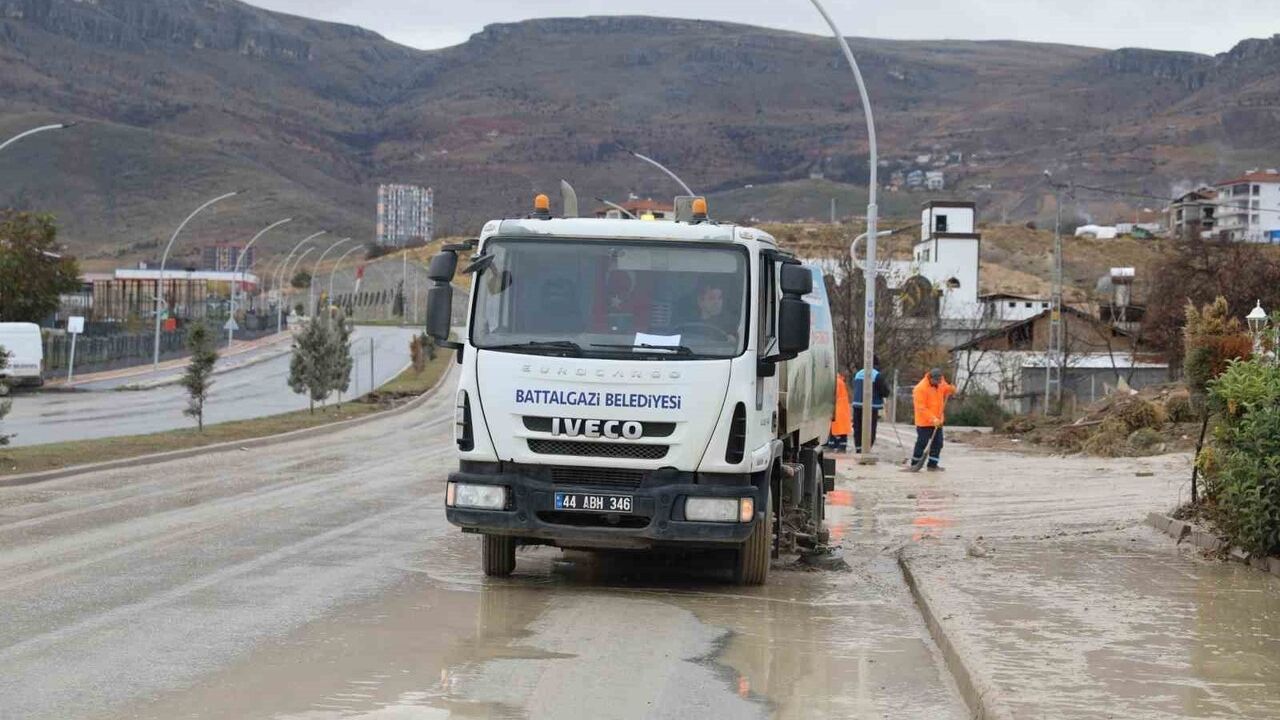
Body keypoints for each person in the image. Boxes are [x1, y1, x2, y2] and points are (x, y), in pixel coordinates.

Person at [911, 367, 956, 471]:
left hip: (938, 421)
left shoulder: (941, 383)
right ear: (931, 378)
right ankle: (915, 464)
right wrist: (933, 419)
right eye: (936, 381)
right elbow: (921, 408)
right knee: (922, 443)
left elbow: (947, 390)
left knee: (938, 443)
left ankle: (932, 465)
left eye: (940, 381)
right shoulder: (920, 389)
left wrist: (952, 389)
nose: (939, 383)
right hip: (924, 422)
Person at [851, 356, 891, 453]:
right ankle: (867, 449)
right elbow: (885, 391)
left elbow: (854, 387)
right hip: (871, 406)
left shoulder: (858, 374)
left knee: (858, 428)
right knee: (870, 428)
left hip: (857, 405)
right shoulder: (876, 375)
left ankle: (859, 448)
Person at [827, 373, 852, 452]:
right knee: (841, 429)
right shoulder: (840, 381)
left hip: (838, 408)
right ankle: (841, 446)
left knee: (835, 429)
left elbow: (834, 395)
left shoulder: (836, 382)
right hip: (842, 408)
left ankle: (833, 446)